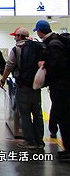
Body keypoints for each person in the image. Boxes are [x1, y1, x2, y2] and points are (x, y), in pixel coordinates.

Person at [0, 26, 45, 150]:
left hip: (23, 86)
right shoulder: (37, 46)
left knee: (25, 114)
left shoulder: (17, 49)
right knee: (37, 114)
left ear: (20, 36)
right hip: (36, 86)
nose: (14, 38)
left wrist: (3, 80)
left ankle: (30, 142)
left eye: (16, 35)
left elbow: (9, 66)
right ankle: (40, 141)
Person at [33, 20, 69, 160]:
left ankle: (68, 150)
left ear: (40, 31)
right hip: (62, 86)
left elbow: (57, 66)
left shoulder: (54, 45)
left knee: (64, 118)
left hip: (62, 87)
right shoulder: (56, 42)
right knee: (63, 117)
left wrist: (45, 65)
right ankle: (67, 148)